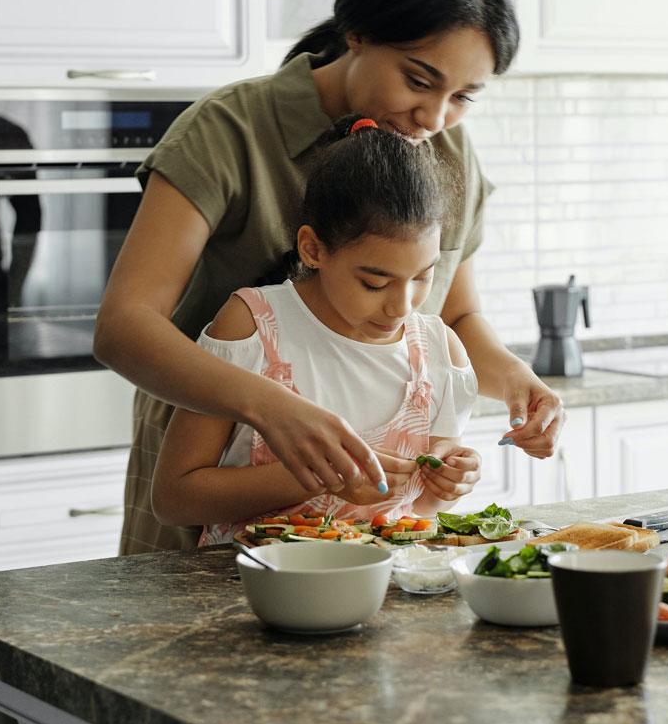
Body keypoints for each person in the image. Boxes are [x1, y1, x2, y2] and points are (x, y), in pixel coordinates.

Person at [94, 0, 566, 555]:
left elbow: (453, 314)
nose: (435, 117)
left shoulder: (445, 148)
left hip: (364, 527)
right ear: (358, 34)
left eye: (462, 98)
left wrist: (513, 380)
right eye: (419, 80)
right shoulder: (229, 130)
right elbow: (124, 326)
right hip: (212, 472)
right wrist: (272, 408)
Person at [151, 117, 482, 542]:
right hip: (248, 591)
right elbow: (173, 499)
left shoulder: (439, 353)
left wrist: (448, 485)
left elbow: (421, 511)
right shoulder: (252, 328)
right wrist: (320, 476)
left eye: (423, 276)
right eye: (375, 283)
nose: (402, 305)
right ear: (313, 248)